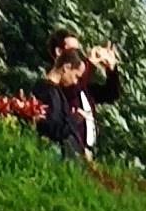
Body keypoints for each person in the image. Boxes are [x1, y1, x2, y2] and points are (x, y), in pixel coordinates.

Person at [42, 31, 121, 163]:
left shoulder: (84, 85)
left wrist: (111, 69)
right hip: (70, 152)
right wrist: (89, 63)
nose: (78, 56)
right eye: (73, 51)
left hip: (87, 153)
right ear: (59, 52)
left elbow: (111, 94)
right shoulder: (58, 84)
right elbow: (71, 90)